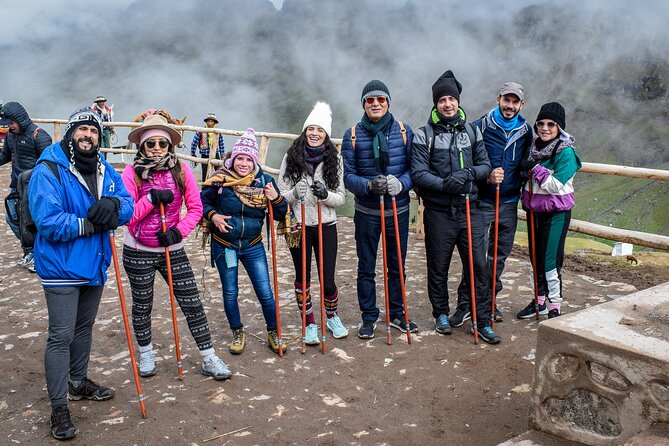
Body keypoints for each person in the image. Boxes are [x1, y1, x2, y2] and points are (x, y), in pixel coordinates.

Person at [28, 108, 133, 440]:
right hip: (61, 266)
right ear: (70, 132)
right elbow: (48, 221)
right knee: (61, 335)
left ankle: (77, 382)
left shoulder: (103, 169)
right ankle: (59, 407)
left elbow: (127, 203)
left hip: (94, 264)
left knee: (83, 328)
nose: (88, 135)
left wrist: (115, 207)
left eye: (94, 131)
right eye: (82, 129)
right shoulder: (49, 169)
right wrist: (92, 223)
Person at [121, 113, 231, 380]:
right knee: (142, 304)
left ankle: (208, 356)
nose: (157, 147)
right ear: (142, 146)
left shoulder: (181, 171)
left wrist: (178, 232)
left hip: (172, 247)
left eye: (162, 142)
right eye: (151, 143)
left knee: (192, 302)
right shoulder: (131, 173)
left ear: (170, 145)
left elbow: (195, 208)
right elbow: (126, 215)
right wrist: (150, 199)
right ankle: (146, 354)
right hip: (138, 249)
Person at [411, 70, 499, 344]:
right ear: (435, 104)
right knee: (439, 266)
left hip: (469, 209)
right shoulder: (423, 134)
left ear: (458, 101)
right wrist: (445, 184)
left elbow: (485, 165)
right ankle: (441, 314)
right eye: (442, 100)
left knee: (479, 266)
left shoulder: (472, 131)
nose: (447, 104)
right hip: (439, 212)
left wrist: (467, 174)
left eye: (451, 98)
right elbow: (418, 173)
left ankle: (481, 320)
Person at [201, 128, 288, 355]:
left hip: (252, 246)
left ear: (254, 161)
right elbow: (201, 203)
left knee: (265, 292)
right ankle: (237, 332)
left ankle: (274, 332)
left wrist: (275, 198)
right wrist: (214, 216)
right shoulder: (220, 180)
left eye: (248, 159)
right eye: (239, 158)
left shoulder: (265, 182)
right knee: (230, 292)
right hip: (225, 245)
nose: (243, 163)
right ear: (232, 159)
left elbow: (281, 213)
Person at [341, 80, 417, 339]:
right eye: (370, 100)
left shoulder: (405, 132)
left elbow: (413, 171)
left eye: (380, 99)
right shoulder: (352, 135)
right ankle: (369, 316)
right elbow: (348, 177)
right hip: (367, 212)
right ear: (363, 104)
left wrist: (401, 184)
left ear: (388, 102)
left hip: (399, 209)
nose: (375, 104)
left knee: (397, 265)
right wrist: (369, 185)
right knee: (366, 266)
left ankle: (397, 313)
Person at [277, 101, 348, 344]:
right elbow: (281, 194)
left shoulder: (335, 160)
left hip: (325, 225)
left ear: (326, 134)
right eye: (311, 129)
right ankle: (308, 323)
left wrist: (325, 195)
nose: (314, 133)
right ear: (305, 131)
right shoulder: (291, 157)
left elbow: (341, 198)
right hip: (298, 225)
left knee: (327, 278)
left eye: (319, 130)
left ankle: (332, 316)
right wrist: (295, 194)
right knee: (303, 276)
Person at [462, 82, 533, 324]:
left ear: (521, 105)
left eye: (515, 102)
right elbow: (468, 164)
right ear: (498, 99)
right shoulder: (479, 127)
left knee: (498, 256)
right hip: (482, 201)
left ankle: (489, 302)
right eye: (506, 100)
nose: (510, 106)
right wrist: (487, 175)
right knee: (476, 255)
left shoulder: (526, 131)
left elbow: (528, 160)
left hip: (509, 202)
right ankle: (467, 303)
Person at [517, 102, 581, 319]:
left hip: (555, 213)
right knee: (536, 258)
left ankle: (555, 306)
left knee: (550, 260)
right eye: (541, 123)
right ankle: (539, 300)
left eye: (551, 124)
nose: (545, 128)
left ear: (559, 127)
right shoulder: (534, 147)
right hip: (534, 211)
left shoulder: (566, 153)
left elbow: (555, 185)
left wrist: (534, 168)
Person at [0, 101, 52, 271]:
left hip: (34, 188)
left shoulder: (40, 135)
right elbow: (5, 156)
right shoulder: (11, 135)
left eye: (11, 123)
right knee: (13, 219)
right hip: (16, 186)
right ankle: (30, 251)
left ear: (19, 119)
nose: (9, 126)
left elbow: (49, 165)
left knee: (34, 223)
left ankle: (41, 255)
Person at [191, 113, 225, 182]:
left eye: (212, 121)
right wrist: (193, 154)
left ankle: (219, 188)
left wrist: (223, 156)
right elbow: (194, 143)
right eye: (208, 121)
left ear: (214, 123)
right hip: (205, 154)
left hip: (215, 154)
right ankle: (205, 188)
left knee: (219, 172)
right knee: (205, 173)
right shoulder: (200, 131)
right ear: (206, 122)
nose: (210, 123)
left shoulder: (218, 132)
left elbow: (221, 145)